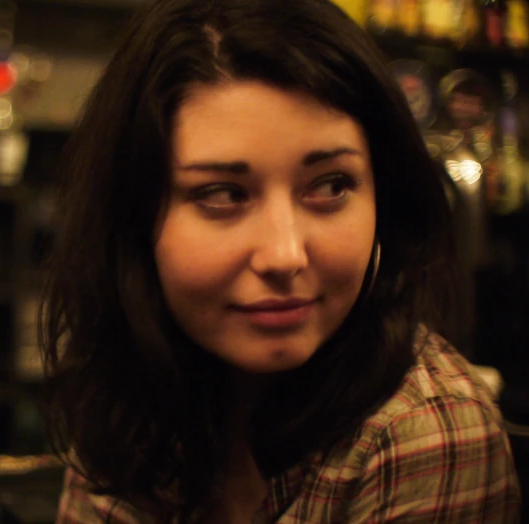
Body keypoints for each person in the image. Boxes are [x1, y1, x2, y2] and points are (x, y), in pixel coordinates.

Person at [39, 0, 522, 522]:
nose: (285, 255)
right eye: (222, 194)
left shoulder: (426, 431)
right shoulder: (129, 398)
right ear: (133, 218)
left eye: (332, 186)